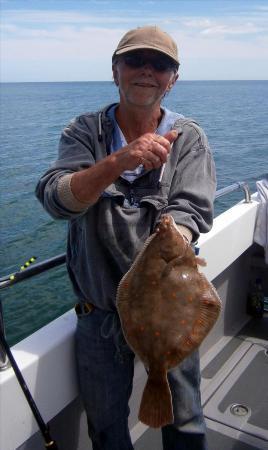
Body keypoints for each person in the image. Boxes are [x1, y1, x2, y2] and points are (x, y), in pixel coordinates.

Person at [36, 25, 216, 450]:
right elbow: (56, 199)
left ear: (174, 79)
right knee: (105, 428)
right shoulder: (84, 132)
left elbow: (190, 210)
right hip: (98, 314)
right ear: (115, 71)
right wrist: (119, 161)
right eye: (135, 60)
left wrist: (174, 235)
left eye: (161, 64)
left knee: (186, 421)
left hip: (173, 313)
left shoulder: (189, 137)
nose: (147, 71)